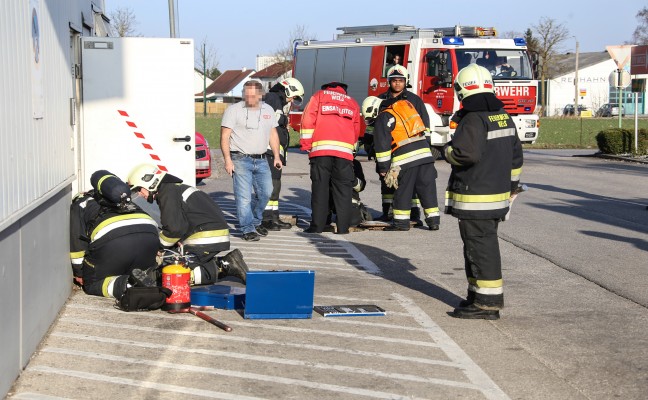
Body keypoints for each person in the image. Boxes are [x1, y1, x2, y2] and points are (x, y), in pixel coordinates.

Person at [444, 64, 523, 320]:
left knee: (480, 248)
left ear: (461, 90)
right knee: (479, 247)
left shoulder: (473, 118)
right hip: (497, 196)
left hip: (475, 197)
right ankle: (476, 295)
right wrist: (511, 188)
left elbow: (465, 154)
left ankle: (487, 304)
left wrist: (445, 150)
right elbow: (516, 158)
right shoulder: (502, 115)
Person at [127, 164, 249, 285]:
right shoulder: (173, 189)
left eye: (139, 189)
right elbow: (182, 223)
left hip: (205, 237)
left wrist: (158, 247)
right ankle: (227, 262)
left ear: (150, 181)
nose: (140, 194)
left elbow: (174, 229)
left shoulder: (167, 193)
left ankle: (225, 266)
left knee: (171, 274)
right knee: (178, 259)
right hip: (209, 233)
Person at [69, 170, 167, 305]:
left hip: (115, 241)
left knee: (92, 284)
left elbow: (77, 243)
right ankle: (151, 276)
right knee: (133, 266)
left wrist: (80, 272)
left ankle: (128, 283)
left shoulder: (81, 202)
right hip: (149, 233)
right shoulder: (124, 199)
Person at [362, 96, 440, 231]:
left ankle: (401, 223)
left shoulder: (383, 117)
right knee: (427, 190)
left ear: (374, 110)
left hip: (406, 159)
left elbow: (382, 146)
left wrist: (383, 168)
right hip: (426, 156)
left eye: (370, 119)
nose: (371, 123)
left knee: (403, 191)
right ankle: (434, 222)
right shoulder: (402, 109)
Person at [221, 80, 283, 241]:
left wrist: (276, 155)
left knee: (266, 193)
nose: (250, 97)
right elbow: (225, 136)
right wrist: (228, 160)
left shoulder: (268, 110)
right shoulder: (233, 111)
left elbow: (273, 134)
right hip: (240, 159)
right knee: (244, 197)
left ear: (261, 94)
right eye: (247, 93)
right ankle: (247, 229)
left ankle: (255, 221)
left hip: (262, 160)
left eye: (253, 94)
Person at [375, 64, 436, 225]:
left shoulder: (414, 100)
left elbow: (425, 125)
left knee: (412, 184)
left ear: (405, 82)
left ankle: (413, 214)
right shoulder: (381, 100)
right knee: (387, 183)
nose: (397, 84)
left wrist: (426, 146)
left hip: (407, 151)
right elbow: (376, 127)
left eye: (400, 81)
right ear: (389, 82)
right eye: (394, 81)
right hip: (390, 150)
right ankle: (387, 212)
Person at [300, 81, 363, 234]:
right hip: (344, 154)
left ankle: (317, 227)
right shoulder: (352, 102)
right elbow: (357, 128)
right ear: (344, 90)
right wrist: (350, 149)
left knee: (320, 189)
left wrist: (306, 145)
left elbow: (308, 120)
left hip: (321, 151)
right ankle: (343, 228)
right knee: (344, 191)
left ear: (326, 88)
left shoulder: (319, 96)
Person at [261, 78, 305, 231]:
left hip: (274, 152)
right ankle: (266, 219)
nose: (292, 101)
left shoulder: (276, 100)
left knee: (276, 185)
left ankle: (273, 217)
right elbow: (268, 117)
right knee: (270, 185)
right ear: (289, 90)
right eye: (294, 97)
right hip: (268, 151)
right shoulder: (272, 98)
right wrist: (285, 119)